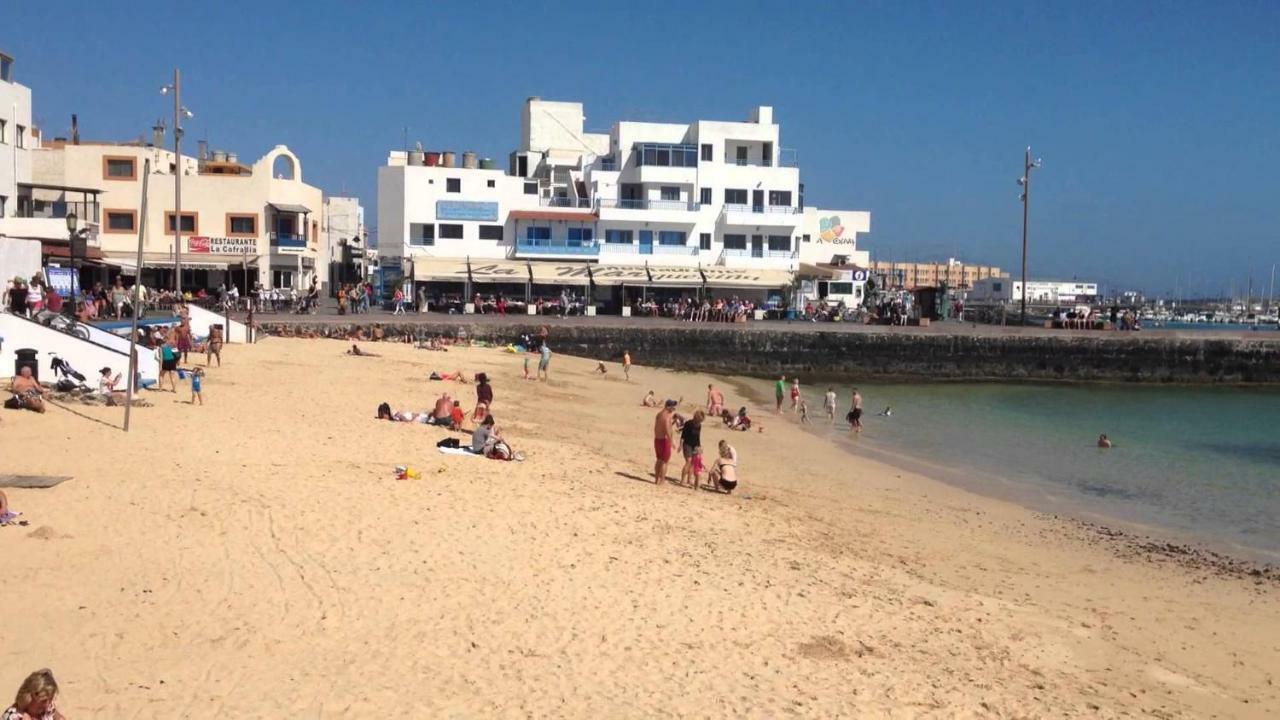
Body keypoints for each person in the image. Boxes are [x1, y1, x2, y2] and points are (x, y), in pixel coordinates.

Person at [653, 399, 678, 485]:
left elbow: (656, 427)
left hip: (657, 439)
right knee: (665, 461)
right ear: (668, 407)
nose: (674, 408)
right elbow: (667, 430)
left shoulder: (659, 414)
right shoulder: (667, 417)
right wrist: (672, 442)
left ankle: (656, 479)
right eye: (673, 407)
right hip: (664, 441)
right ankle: (662, 480)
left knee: (659, 459)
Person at [679, 409, 706, 490]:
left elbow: (698, 437)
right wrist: (680, 446)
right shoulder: (688, 424)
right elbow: (683, 436)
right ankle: (682, 481)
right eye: (699, 420)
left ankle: (689, 480)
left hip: (695, 446)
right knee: (688, 461)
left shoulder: (699, 425)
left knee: (693, 463)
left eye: (701, 421)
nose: (700, 422)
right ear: (696, 417)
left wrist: (699, 447)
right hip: (687, 444)